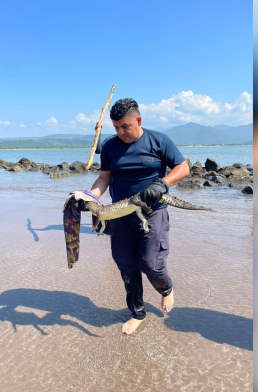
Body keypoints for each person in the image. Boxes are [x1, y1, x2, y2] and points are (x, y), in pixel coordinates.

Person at [78, 98, 190, 335]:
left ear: (138, 120)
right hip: (120, 213)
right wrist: (90, 197)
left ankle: (166, 288)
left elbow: (183, 168)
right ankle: (137, 313)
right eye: (116, 127)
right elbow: (104, 178)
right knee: (126, 266)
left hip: (153, 212)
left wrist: (162, 184)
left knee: (152, 264)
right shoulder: (109, 146)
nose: (120, 132)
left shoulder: (159, 140)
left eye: (125, 127)